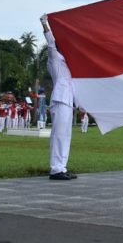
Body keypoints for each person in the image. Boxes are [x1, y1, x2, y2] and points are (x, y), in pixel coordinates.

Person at [41, 15, 77, 180]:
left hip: (67, 100)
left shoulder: (67, 63)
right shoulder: (54, 59)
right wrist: (45, 24)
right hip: (60, 99)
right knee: (59, 135)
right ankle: (55, 169)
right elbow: (51, 44)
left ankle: (61, 167)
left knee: (66, 135)